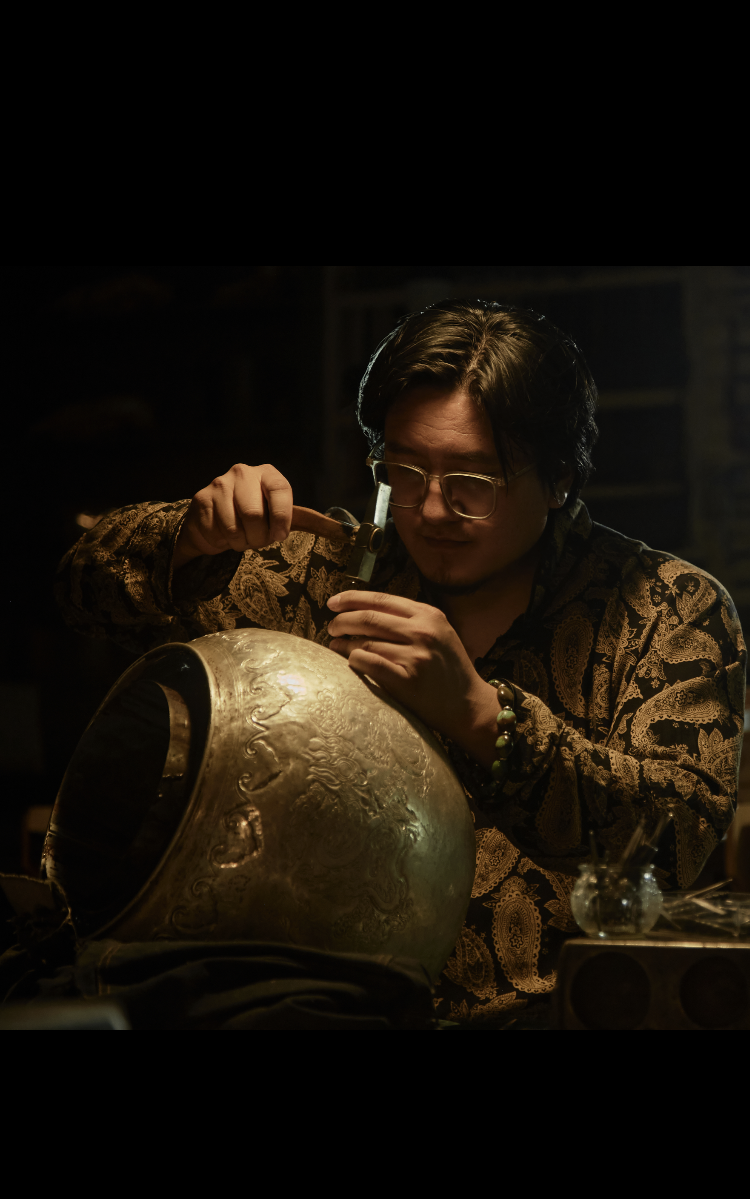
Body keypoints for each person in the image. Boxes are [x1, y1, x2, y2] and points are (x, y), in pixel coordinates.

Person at [56, 300, 747, 1026]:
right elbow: (81, 589)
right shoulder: (322, 573)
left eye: (474, 483)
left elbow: (675, 839)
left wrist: (482, 716)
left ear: (560, 478)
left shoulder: (668, 607)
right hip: (312, 1010)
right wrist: (190, 536)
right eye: (406, 473)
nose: (433, 511)